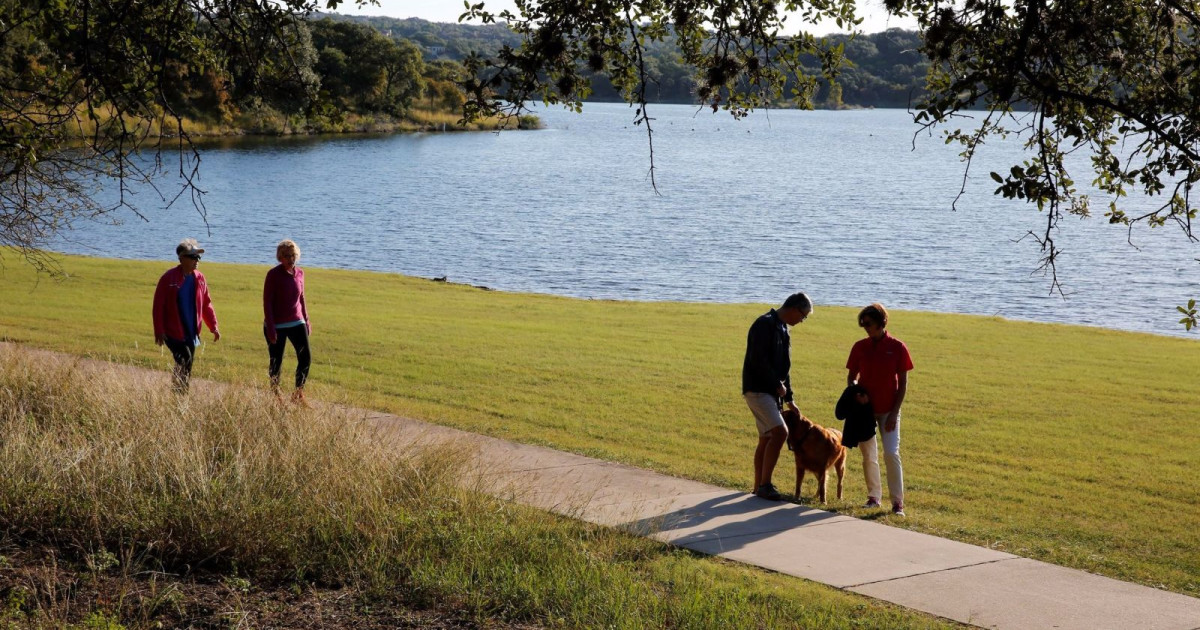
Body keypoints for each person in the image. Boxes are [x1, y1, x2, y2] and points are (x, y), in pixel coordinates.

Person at [742, 292, 813, 501]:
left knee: (766, 438)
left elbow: (784, 368)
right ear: (794, 309)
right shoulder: (764, 324)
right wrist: (776, 384)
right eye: (803, 316)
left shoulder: (783, 328)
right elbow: (758, 360)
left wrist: (789, 398)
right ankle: (765, 485)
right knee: (781, 432)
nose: (802, 321)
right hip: (758, 389)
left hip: (769, 392)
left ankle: (758, 486)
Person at [846, 303, 913, 516]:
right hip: (865, 411)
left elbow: (903, 384)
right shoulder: (859, 347)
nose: (865, 327)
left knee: (891, 453)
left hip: (889, 411)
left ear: (881, 322)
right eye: (863, 324)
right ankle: (874, 497)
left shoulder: (898, 347)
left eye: (868, 323)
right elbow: (851, 377)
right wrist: (856, 393)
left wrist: (894, 413)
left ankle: (897, 503)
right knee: (868, 454)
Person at [152, 238, 220, 393]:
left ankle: (179, 393)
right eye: (193, 257)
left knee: (187, 364)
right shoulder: (168, 278)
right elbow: (158, 306)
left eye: (198, 257)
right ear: (182, 258)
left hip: (191, 332)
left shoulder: (199, 278)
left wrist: (213, 326)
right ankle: (179, 393)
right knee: (184, 358)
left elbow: (206, 304)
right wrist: (159, 330)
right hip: (172, 331)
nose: (197, 261)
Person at [263, 239, 311, 405]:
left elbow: (302, 298)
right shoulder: (273, 275)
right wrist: (271, 328)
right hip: (276, 325)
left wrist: (306, 320)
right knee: (276, 362)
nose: (291, 259)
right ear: (280, 257)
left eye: (293, 255)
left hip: (297, 322)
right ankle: (276, 397)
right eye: (287, 256)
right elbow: (267, 302)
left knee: (305, 358)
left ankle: (298, 394)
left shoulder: (300, 273)